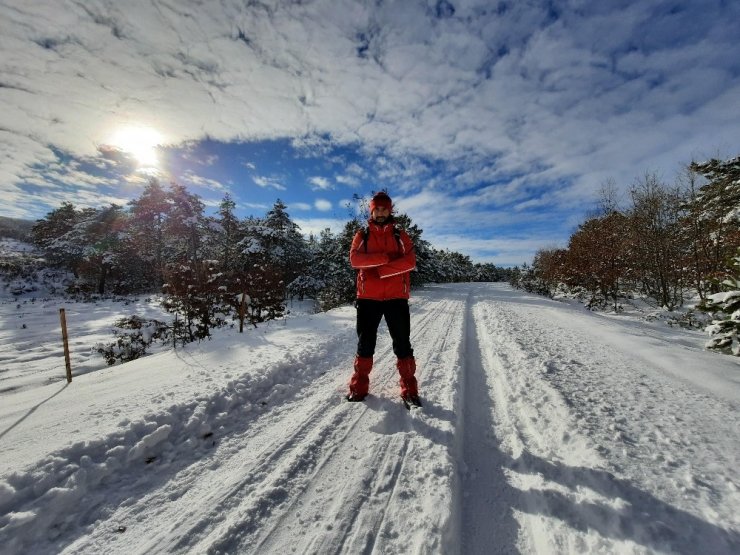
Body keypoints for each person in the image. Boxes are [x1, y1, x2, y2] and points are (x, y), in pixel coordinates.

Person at [346, 191, 421, 407]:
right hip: (368, 298)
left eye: (384, 208)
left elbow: (410, 262)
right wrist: (385, 259)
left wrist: (381, 270)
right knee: (365, 343)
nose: (380, 212)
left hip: (396, 297)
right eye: (376, 208)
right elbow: (354, 260)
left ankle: (409, 388)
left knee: (402, 343)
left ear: (390, 210)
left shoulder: (400, 235)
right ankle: (358, 387)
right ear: (372, 210)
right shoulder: (363, 235)